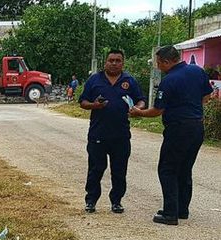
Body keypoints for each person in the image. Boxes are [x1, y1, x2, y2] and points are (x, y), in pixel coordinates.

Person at [129, 46, 214, 225]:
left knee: (167, 169)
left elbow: (157, 111)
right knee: (185, 169)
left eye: (159, 63)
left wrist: (138, 113)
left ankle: (169, 213)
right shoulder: (197, 72)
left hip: (178, 129)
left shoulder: (169, 80)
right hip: (197, 127)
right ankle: (182, 209)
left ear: (167, 61)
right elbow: (207, 96)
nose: (158, 67)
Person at [79, 50, 146, 214]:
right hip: (98, 134)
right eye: (111, 60)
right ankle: (91, 201)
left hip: (121, 135)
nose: (114, 63)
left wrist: (138, 108)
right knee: (96, 169)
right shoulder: (94, 80)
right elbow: (82, 102)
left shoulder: (129, 81)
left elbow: (141, 99)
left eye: (118, 60)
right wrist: (94, 105)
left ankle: (116, 201)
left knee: (119, 170)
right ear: (105, 62)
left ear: (123, 63)